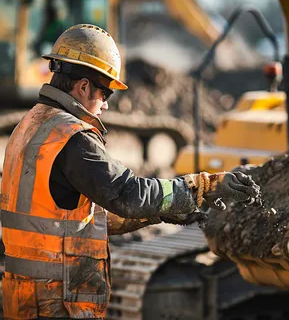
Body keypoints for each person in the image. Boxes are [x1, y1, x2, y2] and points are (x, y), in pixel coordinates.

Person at [0, 24, 260, 319]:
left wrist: (164, 211)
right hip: (55, 301)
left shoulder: (30, 124)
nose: (107, 105)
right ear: (83, 87)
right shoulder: (72, 138)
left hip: (24, 296)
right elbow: (128, 194)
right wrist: (201, 188)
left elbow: (76, 217)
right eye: (106, 92)